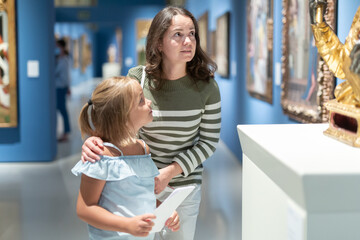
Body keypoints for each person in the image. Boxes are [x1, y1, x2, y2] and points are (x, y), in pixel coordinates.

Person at [81, 6, 221, 240]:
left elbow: (208, 142)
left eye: (192, 33)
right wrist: (95, 140)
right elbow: (116, 120)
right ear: (158, 43)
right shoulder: (138, 78)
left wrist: (170, 172)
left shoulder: (207, 87)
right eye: (178, 34)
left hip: (184, 187)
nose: (188, 41)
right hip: (139, 184)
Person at [72, 76, 180, 239]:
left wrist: (164, 211)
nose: (149, 102)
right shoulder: (101, 156)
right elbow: (85, 208)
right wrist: (126, 225)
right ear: (121, 116)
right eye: (141, 101)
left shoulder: (143, 149)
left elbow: (143, 197)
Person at [55, 38, 71, 142]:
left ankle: (65, 132)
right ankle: (64, 132)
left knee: (62, 110)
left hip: (60, 88)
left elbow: (65, 76)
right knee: (61, 110)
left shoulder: (63, 60)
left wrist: (67, 87)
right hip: (59, 87)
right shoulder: (59, 59)